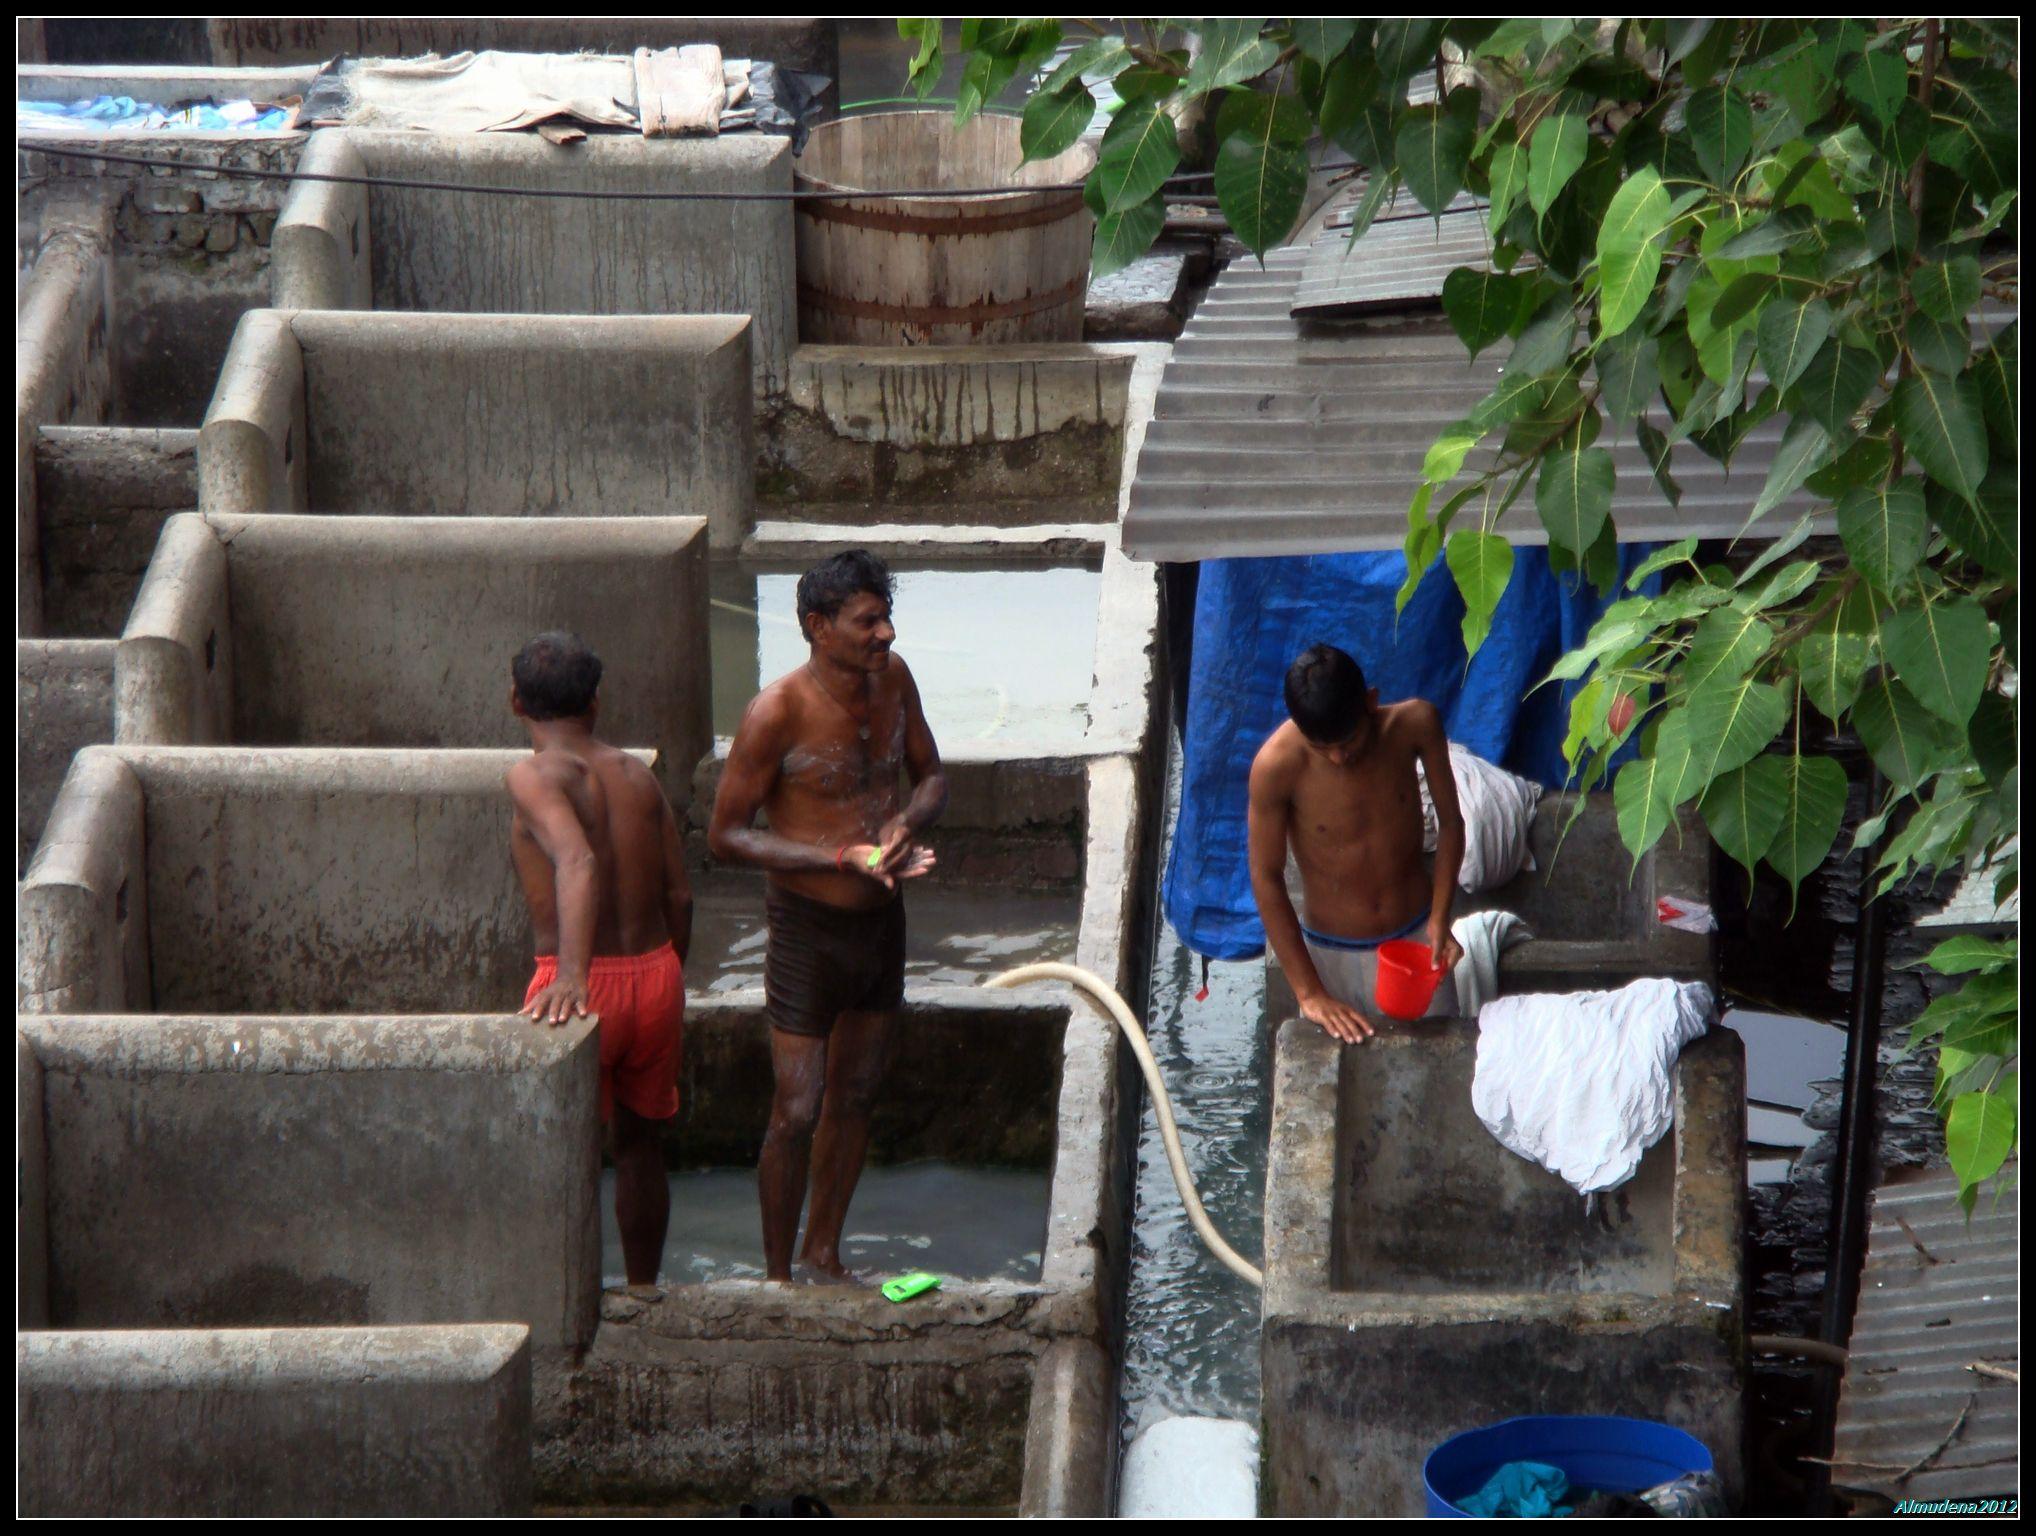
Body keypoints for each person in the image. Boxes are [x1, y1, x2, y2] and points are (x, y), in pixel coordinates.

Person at [708, 550, 948, 1284]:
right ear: (818, 627)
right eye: (868, 621)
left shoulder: (895, 681)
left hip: (881, 921)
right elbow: (725, 835)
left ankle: (825, 1253)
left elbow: (932, 774)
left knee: (857, 1093)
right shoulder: (774, 711)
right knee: (798, 1106)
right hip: (808, 933)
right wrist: (837, 858)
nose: (886, 635)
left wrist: (905, 823)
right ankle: (778, 1278)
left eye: (886, 618)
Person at [506, 632, 692, 1291]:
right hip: (657, 973)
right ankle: (643, 1294)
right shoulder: (637, 773)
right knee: (643, 1149)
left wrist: (575, 978)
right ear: (596, 700)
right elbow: (679, 892)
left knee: (564, 1154)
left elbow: (576, 860)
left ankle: (568, 1305)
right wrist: (671, 976)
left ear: (515, 702)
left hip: (582, 984)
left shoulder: (532, 774)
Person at [1247, 643, 1466, 1044]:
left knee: (1435, 1072)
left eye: (1347, 741)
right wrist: (1309, 991)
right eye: (1321, 748)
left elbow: (1452, 824)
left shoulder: (1415, 724)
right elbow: (1265, 875)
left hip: (1417, 942)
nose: (1337, 757)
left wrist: (1440, 919)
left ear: (1371, 702)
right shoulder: (1275, 766)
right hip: (1333, 957)